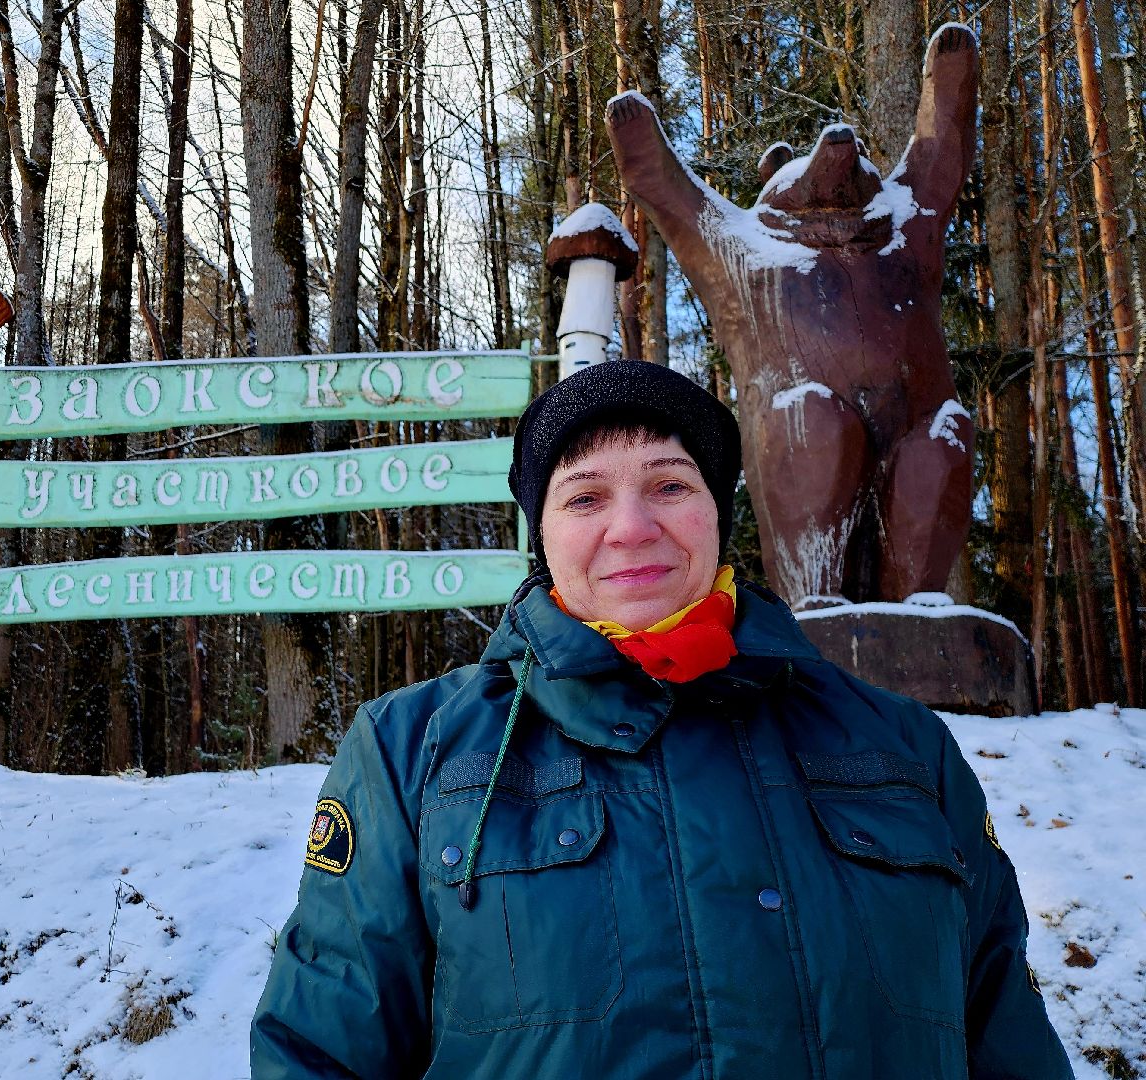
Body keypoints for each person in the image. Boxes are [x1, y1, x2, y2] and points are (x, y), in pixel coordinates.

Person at [250, 360, 1073, 1079]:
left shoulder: (905, 747)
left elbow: (1008, 1040)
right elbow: (321, 1053)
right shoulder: (409, 750)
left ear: (717, 512)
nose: (632, 527)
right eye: (584, 496)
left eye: (671, 484)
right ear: (543, 534)